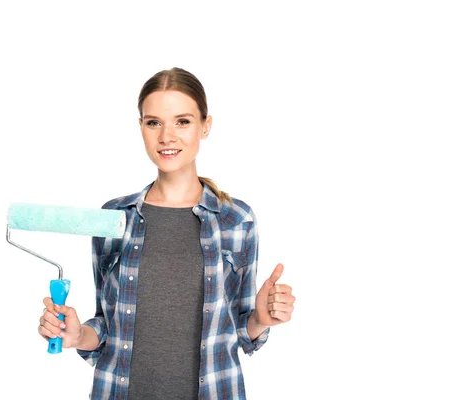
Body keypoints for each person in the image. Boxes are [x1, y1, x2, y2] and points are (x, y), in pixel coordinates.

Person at [38, 67, 296, 399]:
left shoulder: (236, 219)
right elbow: (106, 328)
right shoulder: (114, 218)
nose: (166, 136)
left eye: (182, 121)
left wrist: (261, 318)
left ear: (205, 126)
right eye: (154, 122)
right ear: (141, 127)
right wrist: (76, 336)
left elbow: (243, 335)